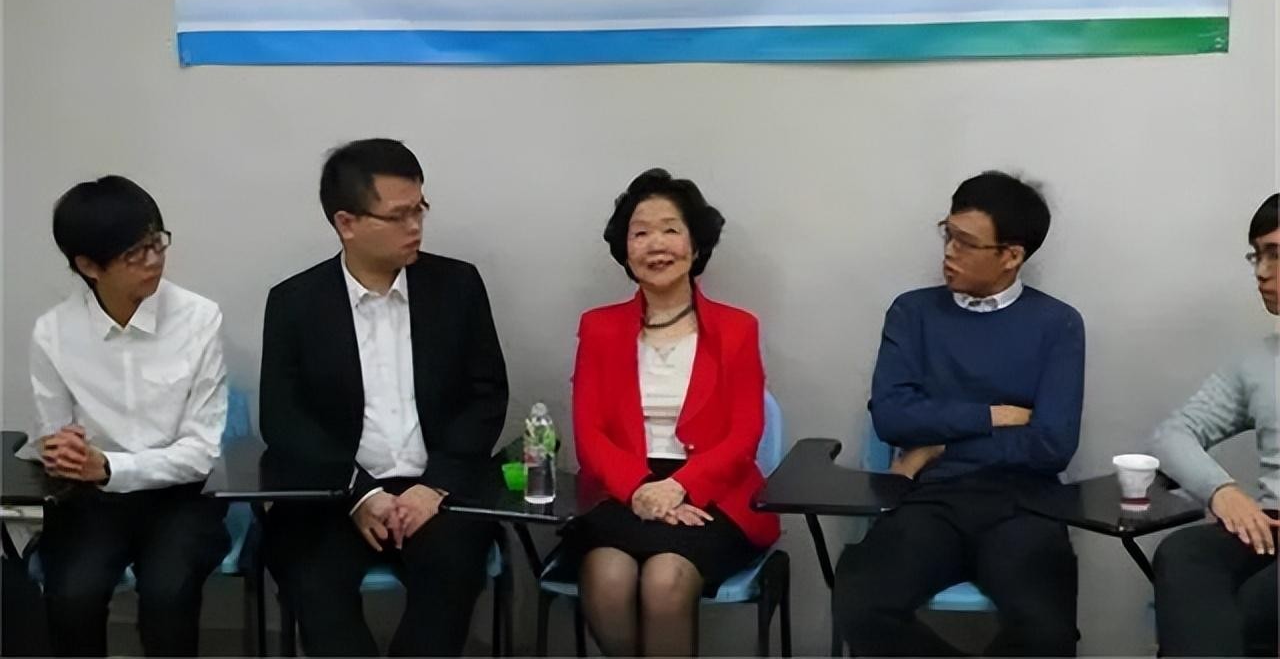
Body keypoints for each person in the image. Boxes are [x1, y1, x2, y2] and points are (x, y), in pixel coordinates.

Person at [260, 138, 508, 657]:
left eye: (420, 209)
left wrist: (434, 485)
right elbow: (283, 420)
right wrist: (359, 493)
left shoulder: (457, 286)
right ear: (346, 223)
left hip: (437, 490)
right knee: (314, 582)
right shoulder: (294, 303)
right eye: (398, 216)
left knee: (451, 577)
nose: (415, 226)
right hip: (336, 493)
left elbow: (486, 395)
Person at [833, 170, 1085, 657]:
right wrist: (992, 415)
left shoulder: (1057, 325)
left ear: (1011, 256)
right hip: (930, 501)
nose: (949, 251)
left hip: (1023, 504)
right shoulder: (912, 313)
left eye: (966, 243)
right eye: (947, 235)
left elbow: (1052, 446)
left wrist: (934, 446)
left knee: (1046, 630)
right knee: (861, 604)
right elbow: (892, 418)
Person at [562, 168, 780, 657]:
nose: (656, 245)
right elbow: (589, 434)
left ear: (695, 245)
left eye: (670, 230)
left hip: (713, 495)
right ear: (625, 251)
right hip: (622, 492)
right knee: (608, 577)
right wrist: (641, 490)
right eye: (640, 233)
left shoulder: (737, 328)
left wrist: (679, 487)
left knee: (665, 578)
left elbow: (746, 433)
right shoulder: (598, 328)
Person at [28, 176, 228, 657]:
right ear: (88, 266)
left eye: (157, 242)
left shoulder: (199, 318)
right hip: (93, 500)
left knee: (168, 595)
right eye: (135, 253)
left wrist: (110, 466)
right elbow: (52, 433)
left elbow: (200, 452)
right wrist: (60, 450)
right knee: (72, 596)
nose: (154, 260)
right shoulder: (53, 333)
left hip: (180, 497)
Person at [1152, 193, 1278, 657]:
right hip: (1271, 529)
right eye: (1256, 256)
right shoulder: (1257, 362)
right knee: (1183, 553)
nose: (1261, 272)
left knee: (1235, 610)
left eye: (1275, 254)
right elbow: (1172, 434)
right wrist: (1222, 491)